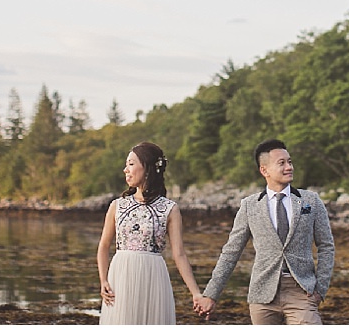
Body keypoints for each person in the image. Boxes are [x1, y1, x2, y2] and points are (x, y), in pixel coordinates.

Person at [195, 139, 335, 324]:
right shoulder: (249, 206)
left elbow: (326, 246)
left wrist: (320, 289)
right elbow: (231, 253)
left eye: (290, 161)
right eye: (282, 163)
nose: (289, 167)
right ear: (264, 170)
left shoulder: (311, 200)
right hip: (262, 296)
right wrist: (211, 295)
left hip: (301, 291)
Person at [97, 141, 206, 324]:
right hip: (120, 276)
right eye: (126, 165)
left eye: (131, 164)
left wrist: (195, 293)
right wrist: (103, 280)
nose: (125, 170)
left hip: (153, 275)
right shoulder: (117, 205)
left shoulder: (170, 209)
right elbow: (103, 246)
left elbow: (179, 254)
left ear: (147, 168)